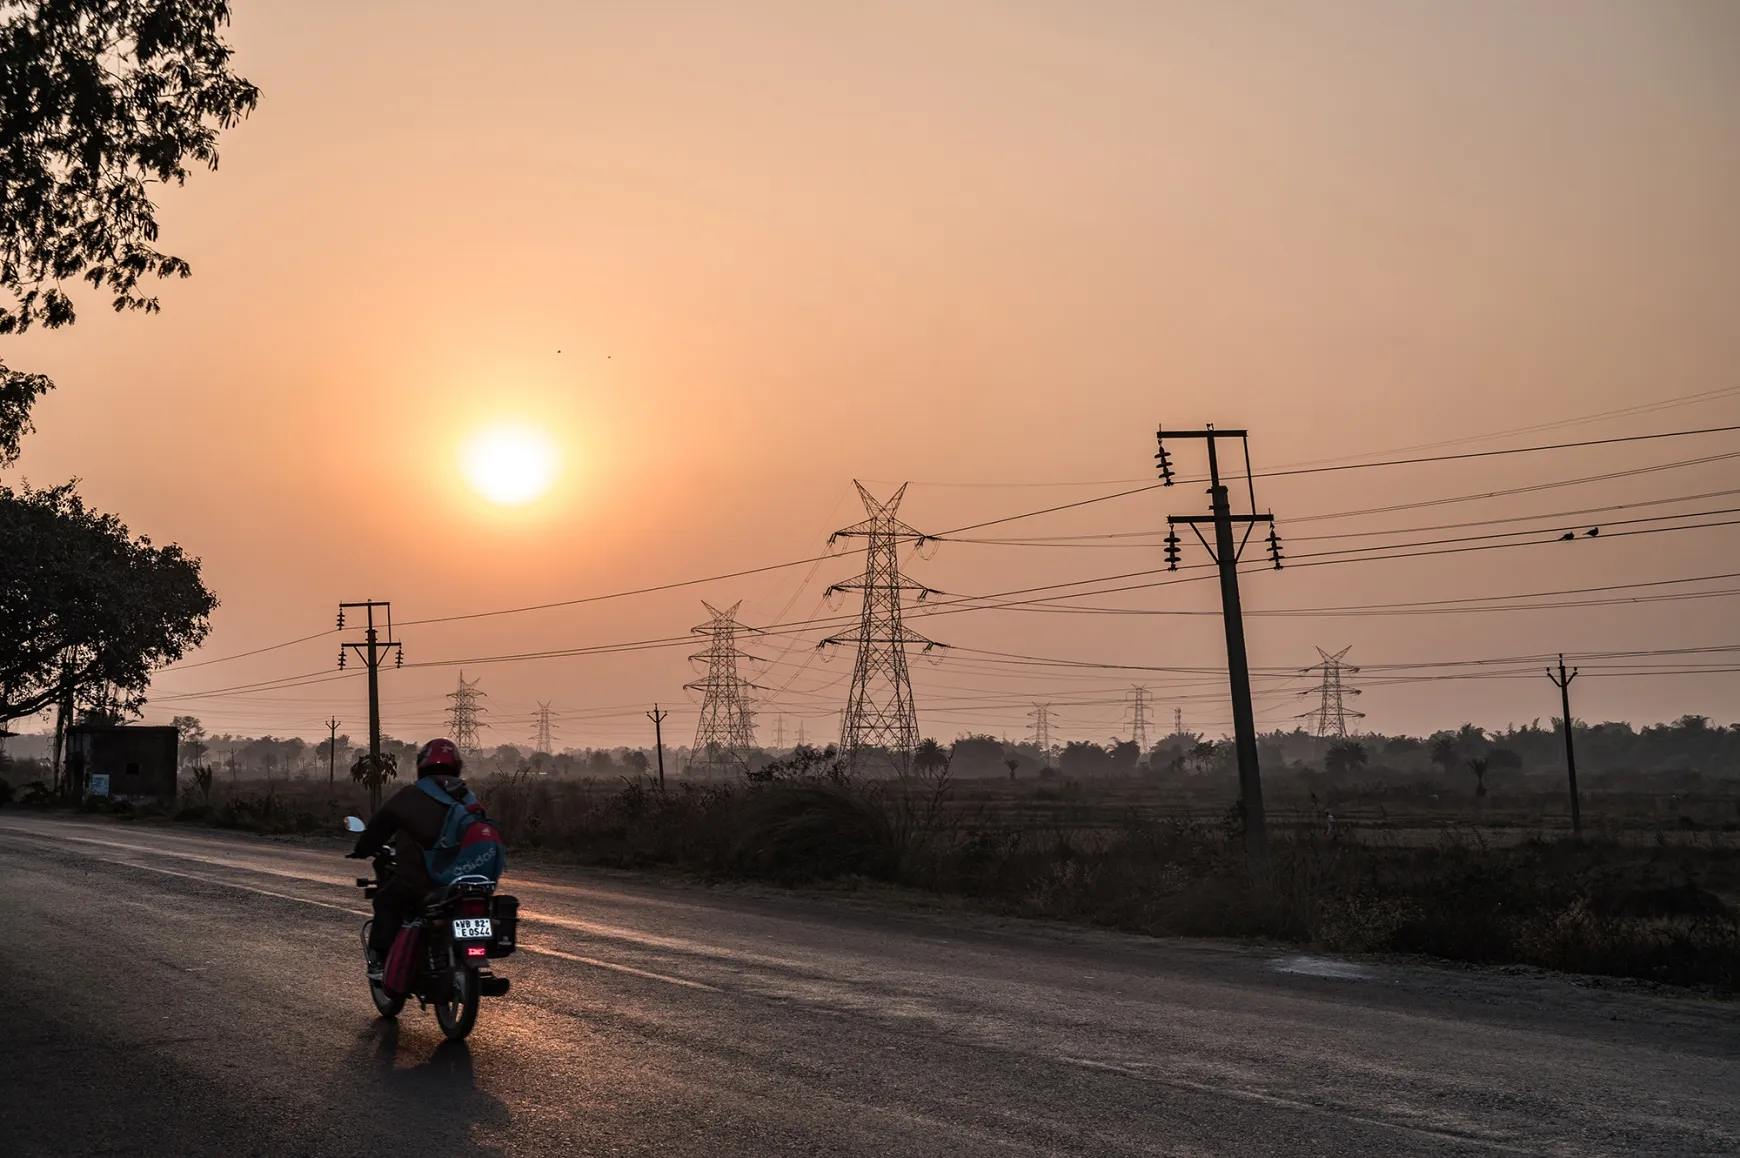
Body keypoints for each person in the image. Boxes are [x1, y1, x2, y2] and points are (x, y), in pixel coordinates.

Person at [348, 737, 472, 979]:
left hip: (421, 881)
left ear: (422, 766)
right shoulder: (468, 797)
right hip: (465, 880)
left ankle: (380, 963)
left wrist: (362, 848)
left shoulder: (411, 795)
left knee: (386, 901)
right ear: (457, 765)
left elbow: (380, 825)